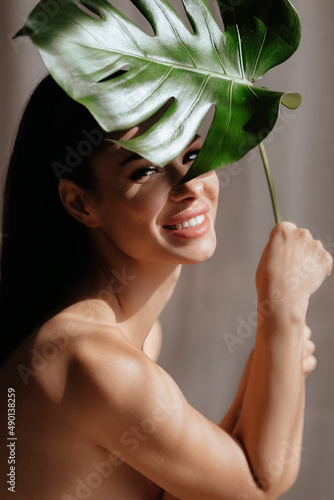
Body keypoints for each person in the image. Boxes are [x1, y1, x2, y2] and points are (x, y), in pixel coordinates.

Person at [0, 74, 332, 500]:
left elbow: (191, 490)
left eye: (193, 152)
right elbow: (256, 488)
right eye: (148, 169)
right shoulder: (94, 362)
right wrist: (282, 306)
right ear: (81, 202)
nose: (190, 186)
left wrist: (265, 370)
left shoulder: (125, 337)